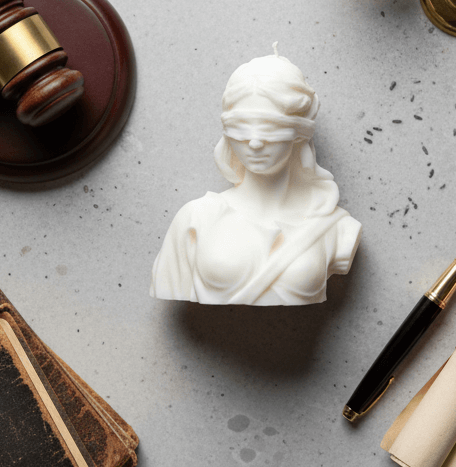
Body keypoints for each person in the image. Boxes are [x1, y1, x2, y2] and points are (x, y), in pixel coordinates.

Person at [150, 51, 361, 305]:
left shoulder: (337, 228)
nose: (255, 142)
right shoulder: (196, 218)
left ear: (299, 133)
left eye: (271, 128)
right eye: (241, 128)